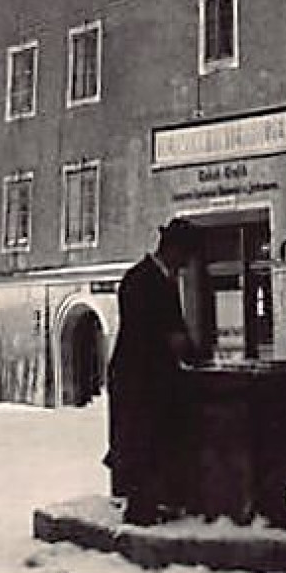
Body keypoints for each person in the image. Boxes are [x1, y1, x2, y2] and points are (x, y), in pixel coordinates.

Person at [104, 218, 203, 525]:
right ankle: (142, 511)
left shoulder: (148, 277)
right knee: (142, 442)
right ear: (172, 249)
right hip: (139, 378)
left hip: (142, 375)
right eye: (184, 257)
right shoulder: (145, 281)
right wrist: (191, 355)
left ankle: (150, 504)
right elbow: (161, 332)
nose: (185, 265)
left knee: (144, 442)